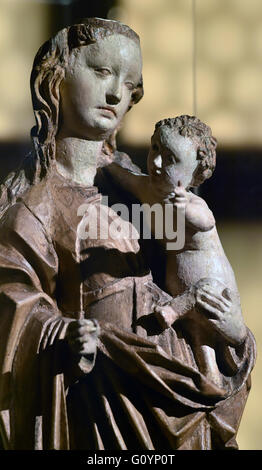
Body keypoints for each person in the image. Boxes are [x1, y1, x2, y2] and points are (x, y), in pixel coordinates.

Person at [0, 18, 255, 450]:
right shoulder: (35, 203)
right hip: (104, 405)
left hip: (176, 387)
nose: (116, 94)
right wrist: (65, 335)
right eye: (101, 72)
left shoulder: (144, 189)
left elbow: (199, 274)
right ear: (56, 78)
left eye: (130, 84)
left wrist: (234, 336)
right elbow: (15, 303)